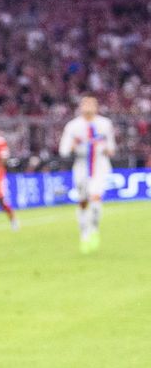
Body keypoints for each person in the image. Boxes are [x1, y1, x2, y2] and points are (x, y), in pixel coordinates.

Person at [58, 96, 115, 253]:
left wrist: (104, 148)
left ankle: (94, 229)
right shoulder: (73, 126)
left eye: (92, 104)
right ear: (80, 107)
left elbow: (111, 149)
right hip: (81, 166)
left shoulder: (105, 124)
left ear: (97, 107)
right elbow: (63, 151)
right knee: (83, 201)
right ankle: (84, 234)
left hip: (100, 166)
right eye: (85, 104)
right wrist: (73, 145)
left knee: (95, 198)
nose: (88, 106)